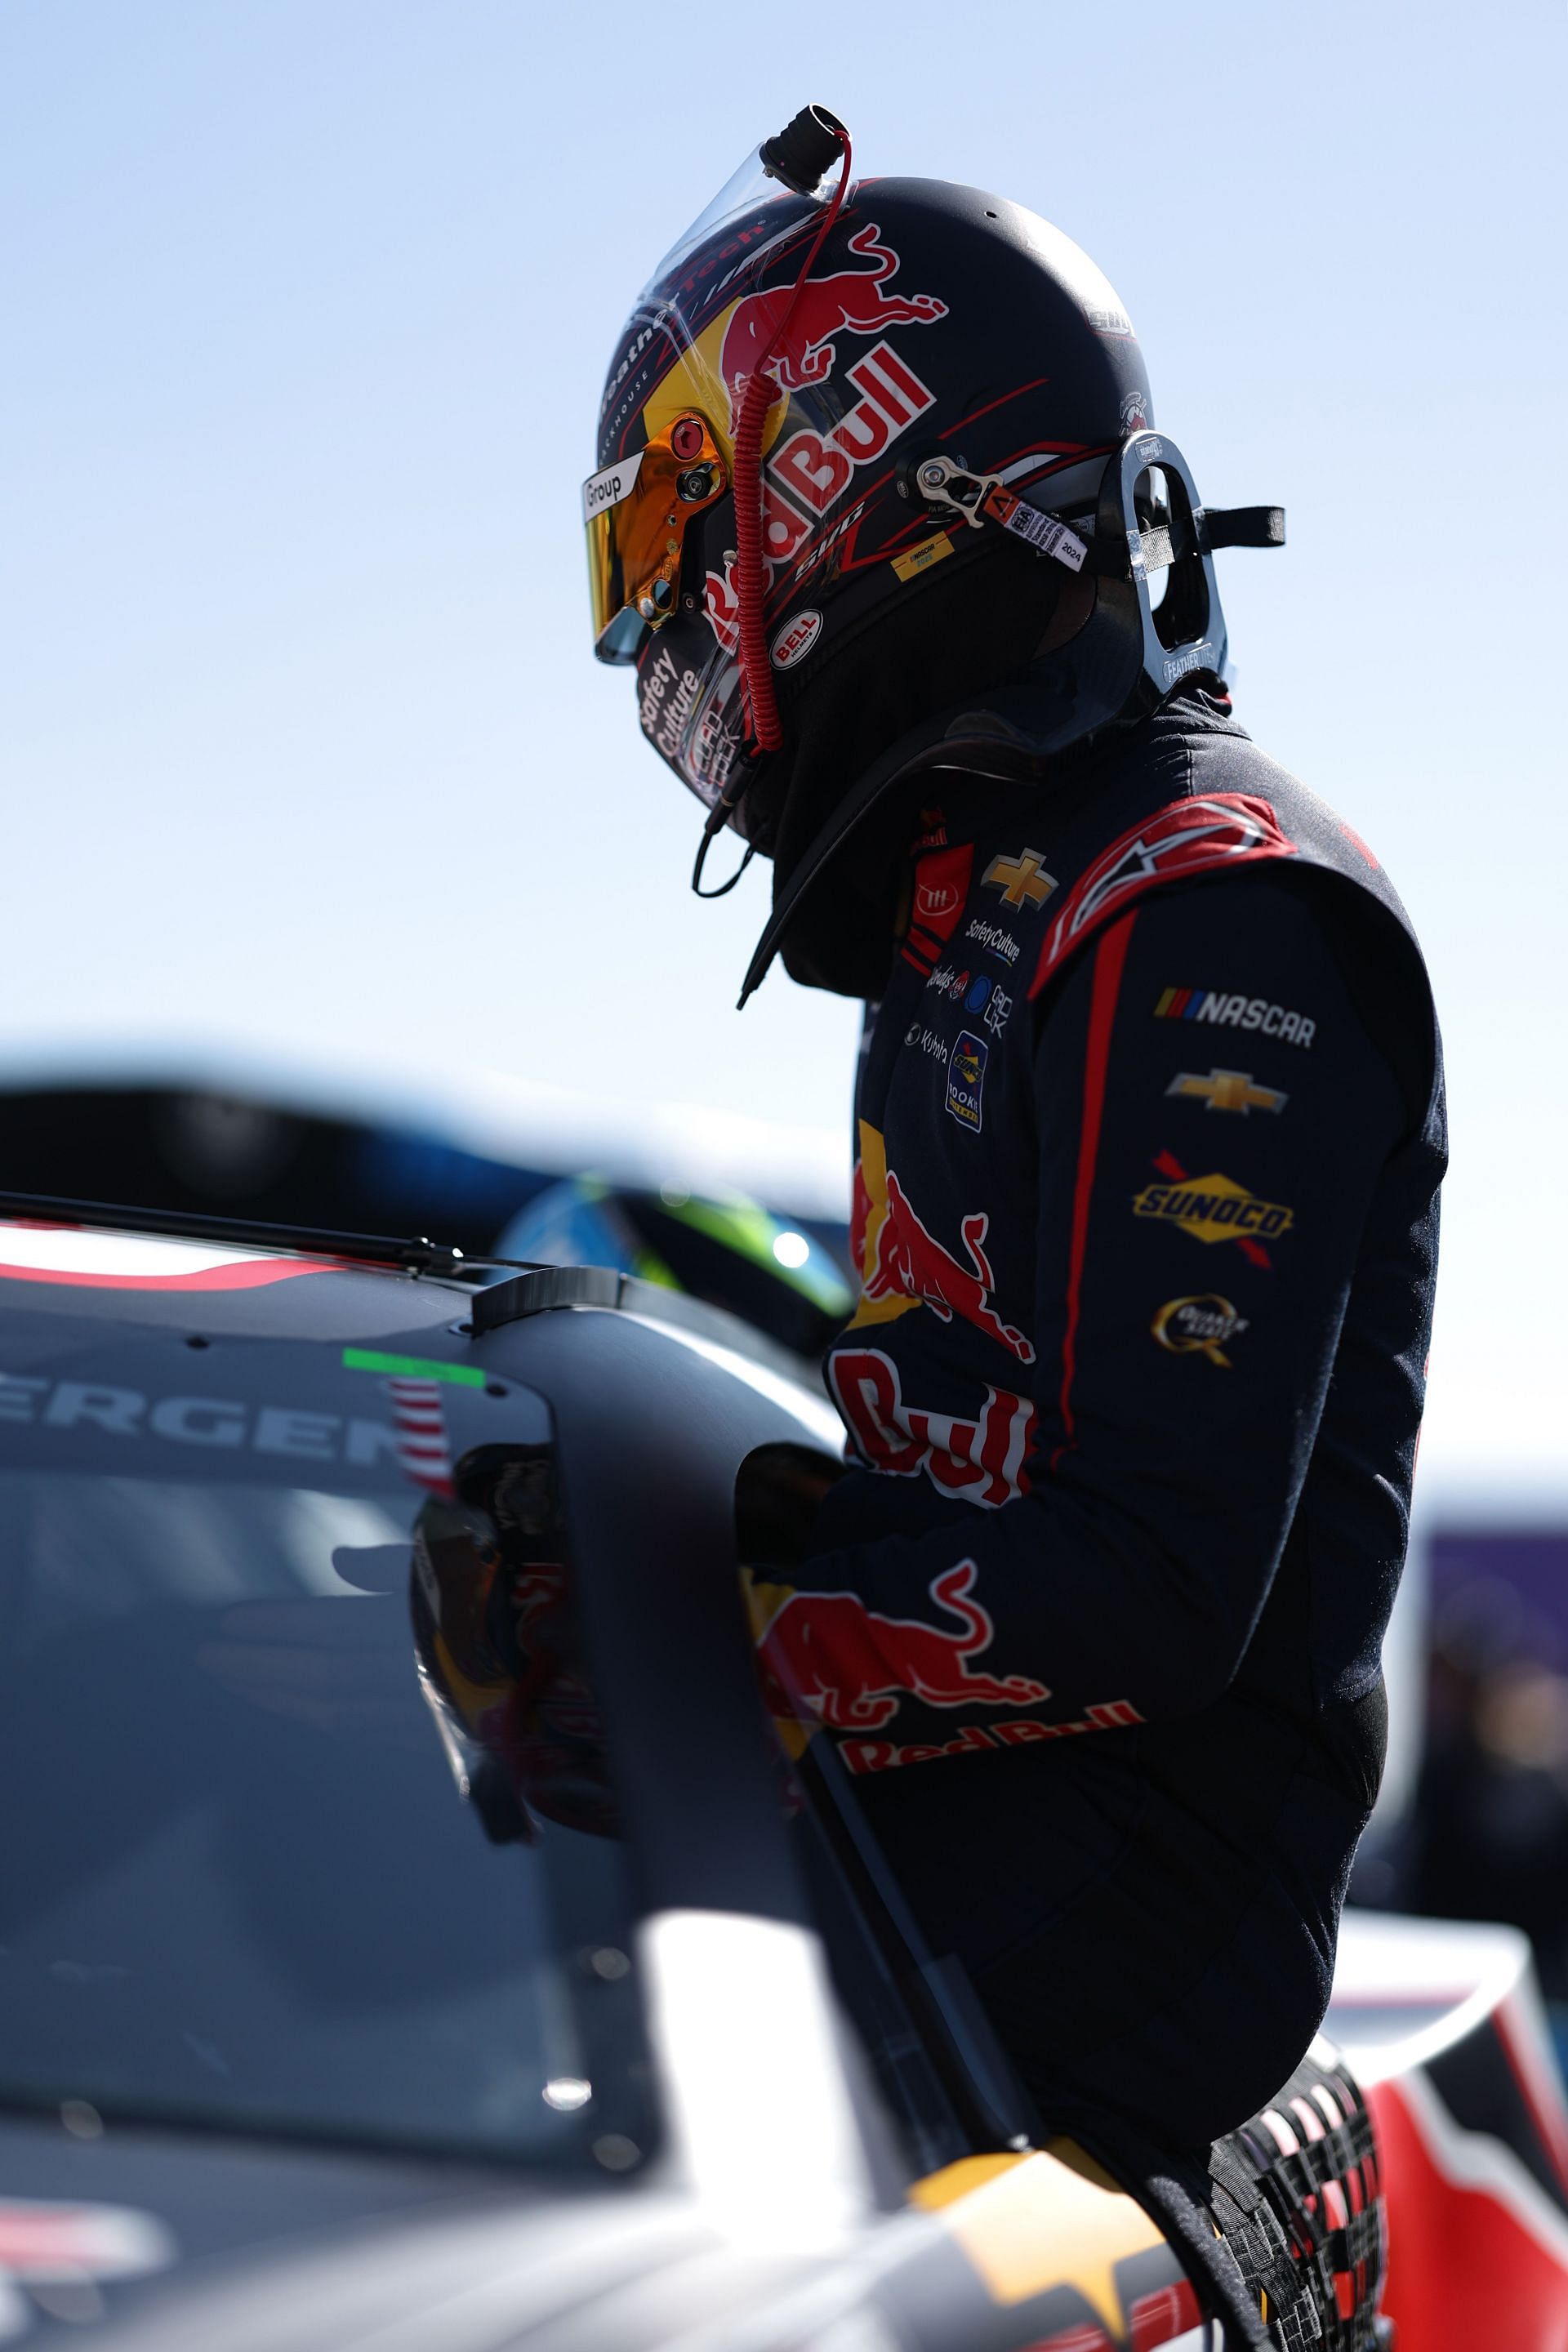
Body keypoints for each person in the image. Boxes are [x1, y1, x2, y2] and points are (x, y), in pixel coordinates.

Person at [583, 105, 1445, 2154]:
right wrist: (643, 1558)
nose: (667, 632)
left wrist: (696, 1647)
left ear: (854, 485)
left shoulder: (1212, 899)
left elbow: (1147, 1586)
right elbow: (955, 1455)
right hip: (979, 1819)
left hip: (1144, 1901)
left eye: (685, 548)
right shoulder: (1001, 876)